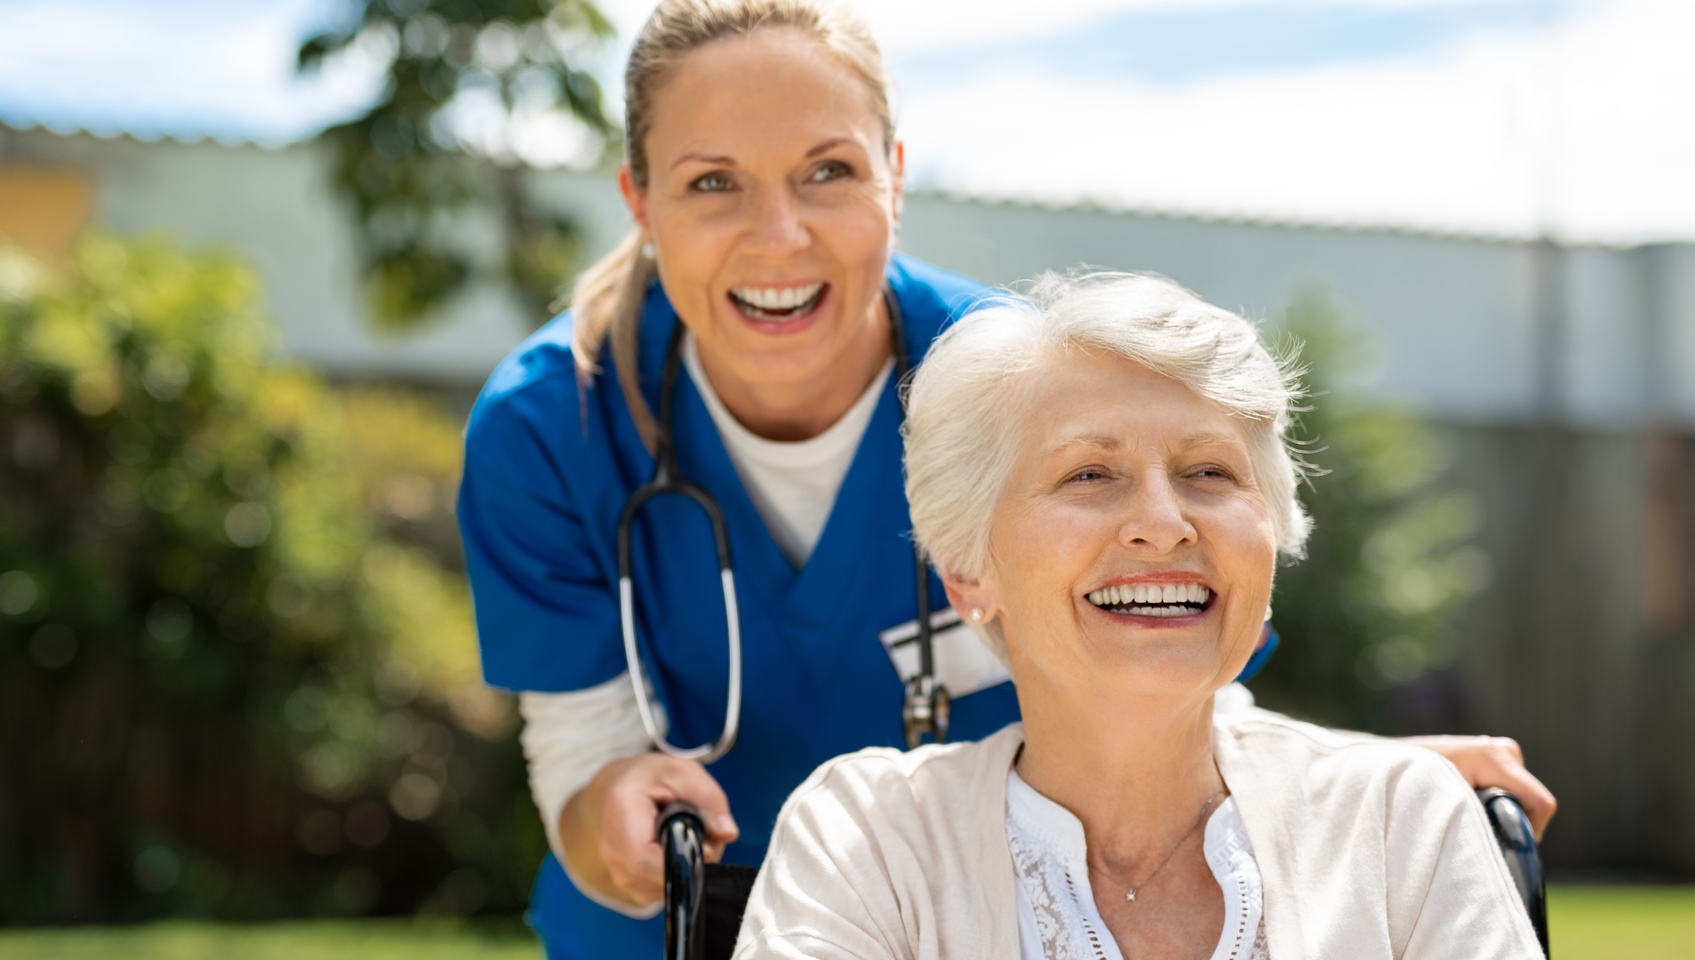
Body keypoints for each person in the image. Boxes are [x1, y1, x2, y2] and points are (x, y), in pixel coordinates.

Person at [455, 2, 1554, 957]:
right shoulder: (551, 426)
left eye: (828, 170)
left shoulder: (1034, 392)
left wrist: (1359, 802)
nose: (777, 234)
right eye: (712, 183)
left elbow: (1167, 644)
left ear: (895, 174)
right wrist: (608, 811)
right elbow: (581, 742)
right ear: (639, 203)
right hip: (677, 924)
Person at [733, 272, 1545, 960]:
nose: (1165, 522)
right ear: (968, 573)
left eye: (1208, 471)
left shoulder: (1402, 821)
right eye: (1089, 474)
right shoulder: (865, 839)